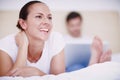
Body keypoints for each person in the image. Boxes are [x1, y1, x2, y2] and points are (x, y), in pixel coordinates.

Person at [0, 1, 111, 77]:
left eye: (49, 17)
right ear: (23, 23)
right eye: (39, 16)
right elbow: (9, 78)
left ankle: (94, 65)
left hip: (66, 70)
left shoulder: (56, 38)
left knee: (73, 70)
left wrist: (38, 73)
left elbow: (59, 78)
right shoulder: (5, 44)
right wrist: (23, 46)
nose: (47, 22)